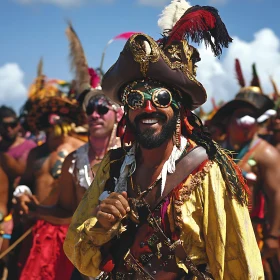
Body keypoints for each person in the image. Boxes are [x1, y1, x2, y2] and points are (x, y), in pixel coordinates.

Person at [64, 1, 263, 279]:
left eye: (161, 98)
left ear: (178, 109)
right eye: (136, 99)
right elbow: (77, 253)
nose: (148, 108)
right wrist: (101, 225)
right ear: (127, 110)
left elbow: (239, 265)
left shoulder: (207, 172)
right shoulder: (114, 167)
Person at [8, 63, 86, 280]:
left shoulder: (80, 150)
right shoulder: (36, 153)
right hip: (35, 229)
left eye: (58, 114)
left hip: (67, 230)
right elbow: (24, 182)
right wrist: (22, 193)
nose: (54, 120)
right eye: (49, 115)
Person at [209, 63, 280, 279]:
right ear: (230, 121)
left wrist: (274, 237)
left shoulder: (265, 154)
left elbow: (277, 196)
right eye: (242, 116)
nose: (247, 123)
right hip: (219, 232)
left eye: (252, 117)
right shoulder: (217, 149)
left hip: (253, 233)